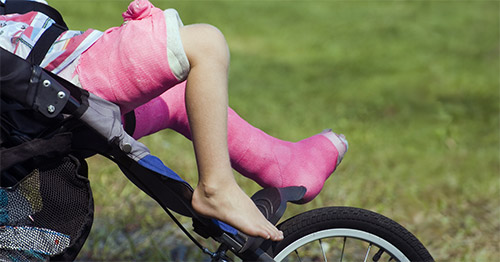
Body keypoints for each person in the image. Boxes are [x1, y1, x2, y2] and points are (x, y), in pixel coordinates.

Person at [0, 0, 348, 241]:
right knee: (206, 43)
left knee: (178, 97)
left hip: (49, 77)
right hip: (57, 80)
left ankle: (285, 165)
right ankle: (216, 188)